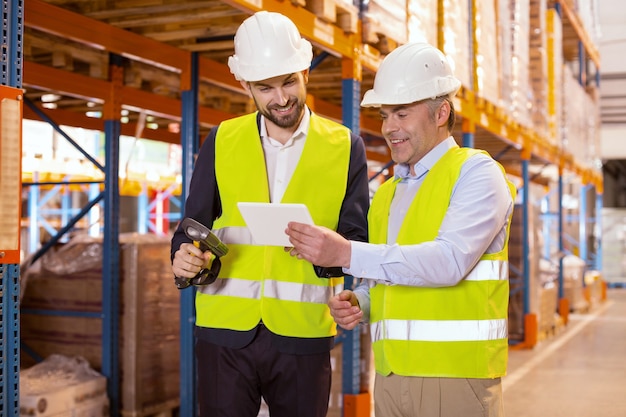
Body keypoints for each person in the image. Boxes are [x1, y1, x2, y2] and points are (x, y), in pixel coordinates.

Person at [286, 42, 516, 417]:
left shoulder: (476, 173)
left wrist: (345, 253)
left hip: (455, 377)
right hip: (391, 376)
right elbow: (392, 280)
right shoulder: (389, 193)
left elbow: (448, 261)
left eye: (402, 114)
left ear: (442, 113)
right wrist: (362, 301)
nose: (389, 127)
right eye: (385, 115)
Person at [170, 11, 370, 417]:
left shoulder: (346, 146)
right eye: (265, 88)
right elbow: (193, 225)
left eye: (289, 82)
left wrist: (332, 255)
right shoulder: (222, 139)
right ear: (245, 85)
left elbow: (356, 240)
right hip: (224, 329)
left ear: (305, 71)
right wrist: (183, 257)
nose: (280, 99)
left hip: (302, 333)